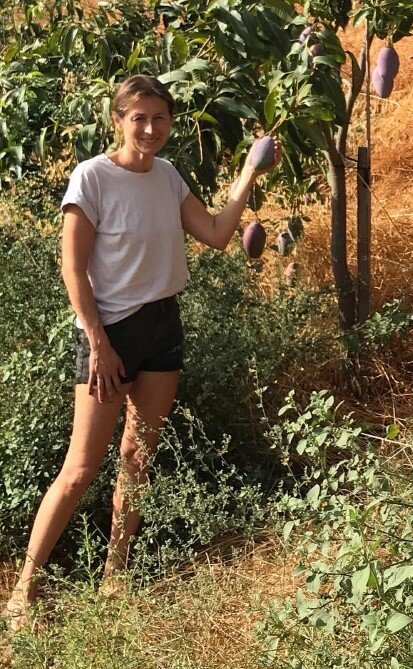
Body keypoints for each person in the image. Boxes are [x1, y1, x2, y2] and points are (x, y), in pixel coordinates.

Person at [2, 74, 278, 633]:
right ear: (118, 120)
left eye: (160, 118)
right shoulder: (92, 177)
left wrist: (249, 171)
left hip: (161, 326)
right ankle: (23, 591)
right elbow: (72, 269)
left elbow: (216, 234)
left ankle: (115, 576)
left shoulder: (167, 176)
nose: (150, 129)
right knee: (81, 469)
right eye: (139, 118)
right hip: (110, 333)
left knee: (137, 459)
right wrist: (98, 344)